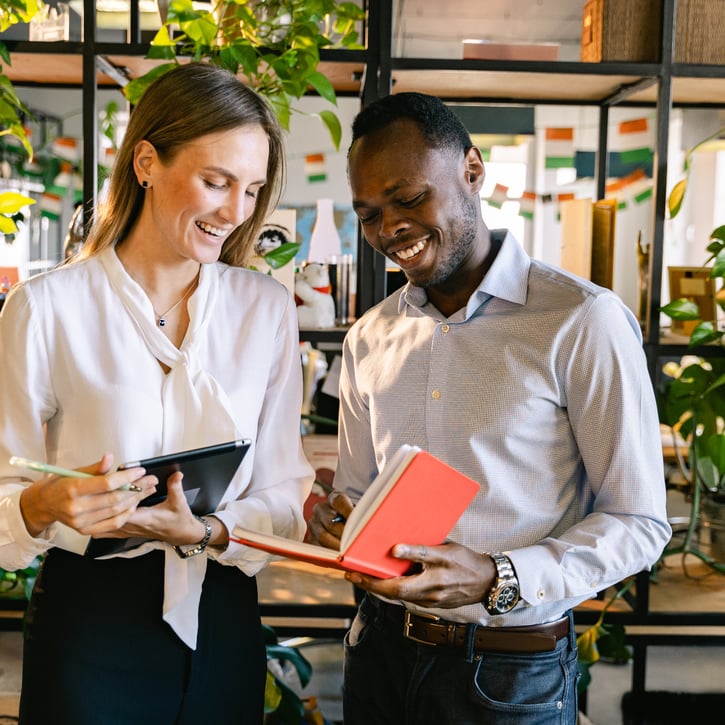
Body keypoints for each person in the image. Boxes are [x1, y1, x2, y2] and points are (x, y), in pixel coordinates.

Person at [308, 92, 672, 725]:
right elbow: (359, 495)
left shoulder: (582, 320)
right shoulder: (369, 334)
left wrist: (497, 576)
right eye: (369, 214)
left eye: (409, 198)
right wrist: (339, 527)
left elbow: (640, 522)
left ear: (473, 171)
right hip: (377, 654)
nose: (388, 228)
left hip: (510, 673)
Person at [0, 62, 313, 724]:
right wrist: (43, 501)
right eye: (215, 181)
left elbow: (286, 492)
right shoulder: (47, 307)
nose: (236, 211)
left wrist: (208, 528)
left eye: (252, 189)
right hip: (90, 619)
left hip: (222, 613)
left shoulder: (266, 309)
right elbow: (5, 488)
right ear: (146, 161)